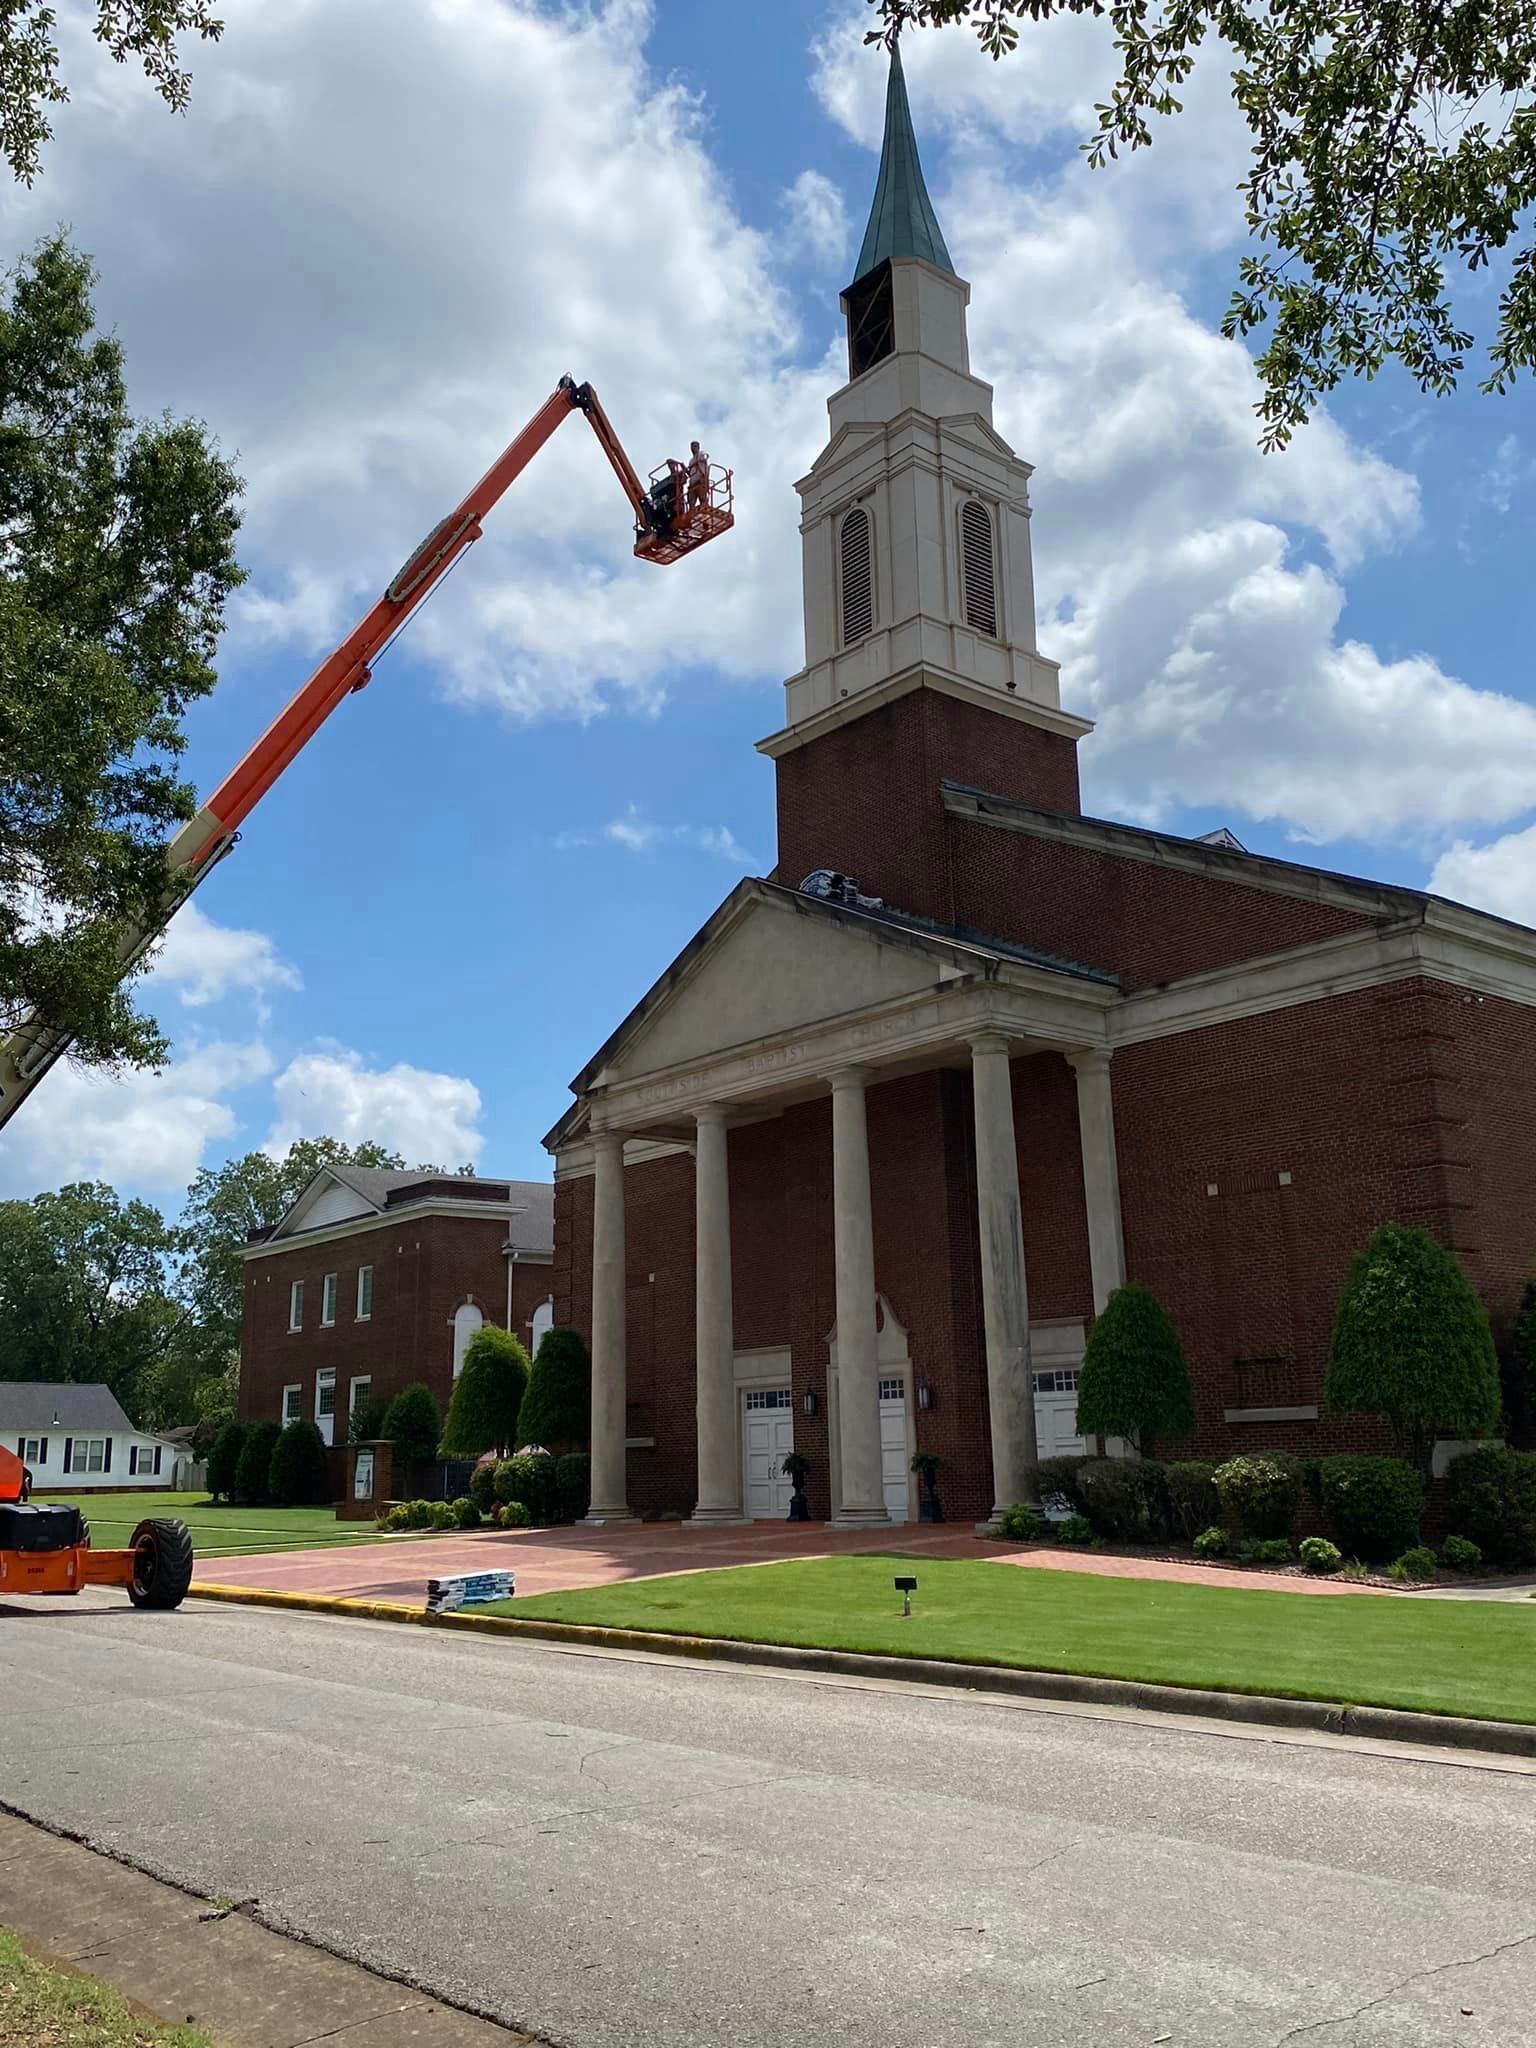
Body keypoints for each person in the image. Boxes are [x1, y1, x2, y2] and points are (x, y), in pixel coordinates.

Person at [686, 438, 710, 513]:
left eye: (696, 446)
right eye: (693, 447)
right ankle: (691, 514)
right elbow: (690, 472)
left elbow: (705, 457)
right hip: (692, 483)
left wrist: (699, 460)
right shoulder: (691, 460)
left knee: (703, 499)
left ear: (698, 447)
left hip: (700, 481)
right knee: (691, 502)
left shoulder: (701, 454)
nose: (694, 448)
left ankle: (705, 512)